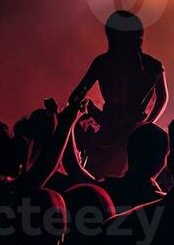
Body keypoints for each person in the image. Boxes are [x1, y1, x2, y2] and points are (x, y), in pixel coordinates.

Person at [71, 10, 168, 178]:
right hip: (132, 131)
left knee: (101, 177)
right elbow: (163, 98)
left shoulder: (103, 62)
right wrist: (147, 123)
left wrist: (90, 111)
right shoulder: (153, 65)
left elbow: (75, 96)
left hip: (108, 129)